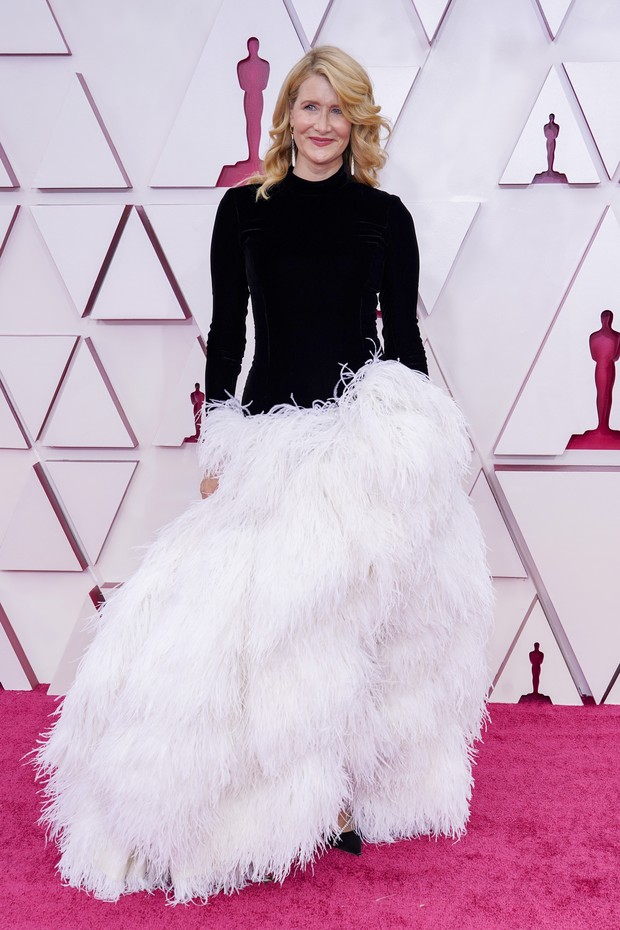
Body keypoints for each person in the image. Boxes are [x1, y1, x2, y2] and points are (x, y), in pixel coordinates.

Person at [35, 46, 492, 904]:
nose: (323, 125)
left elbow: (405, 350)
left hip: (358, 446)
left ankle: (348, 797)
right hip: (271, 446)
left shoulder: (386, 218)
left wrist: (423, 451)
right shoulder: (242, 210)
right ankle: (250, 802)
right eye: (310, 108)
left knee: (358, 630)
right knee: (263, 633)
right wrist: (221, 444)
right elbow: (225, 334)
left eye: (339, 111)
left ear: (358, 122)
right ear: (287, 115)